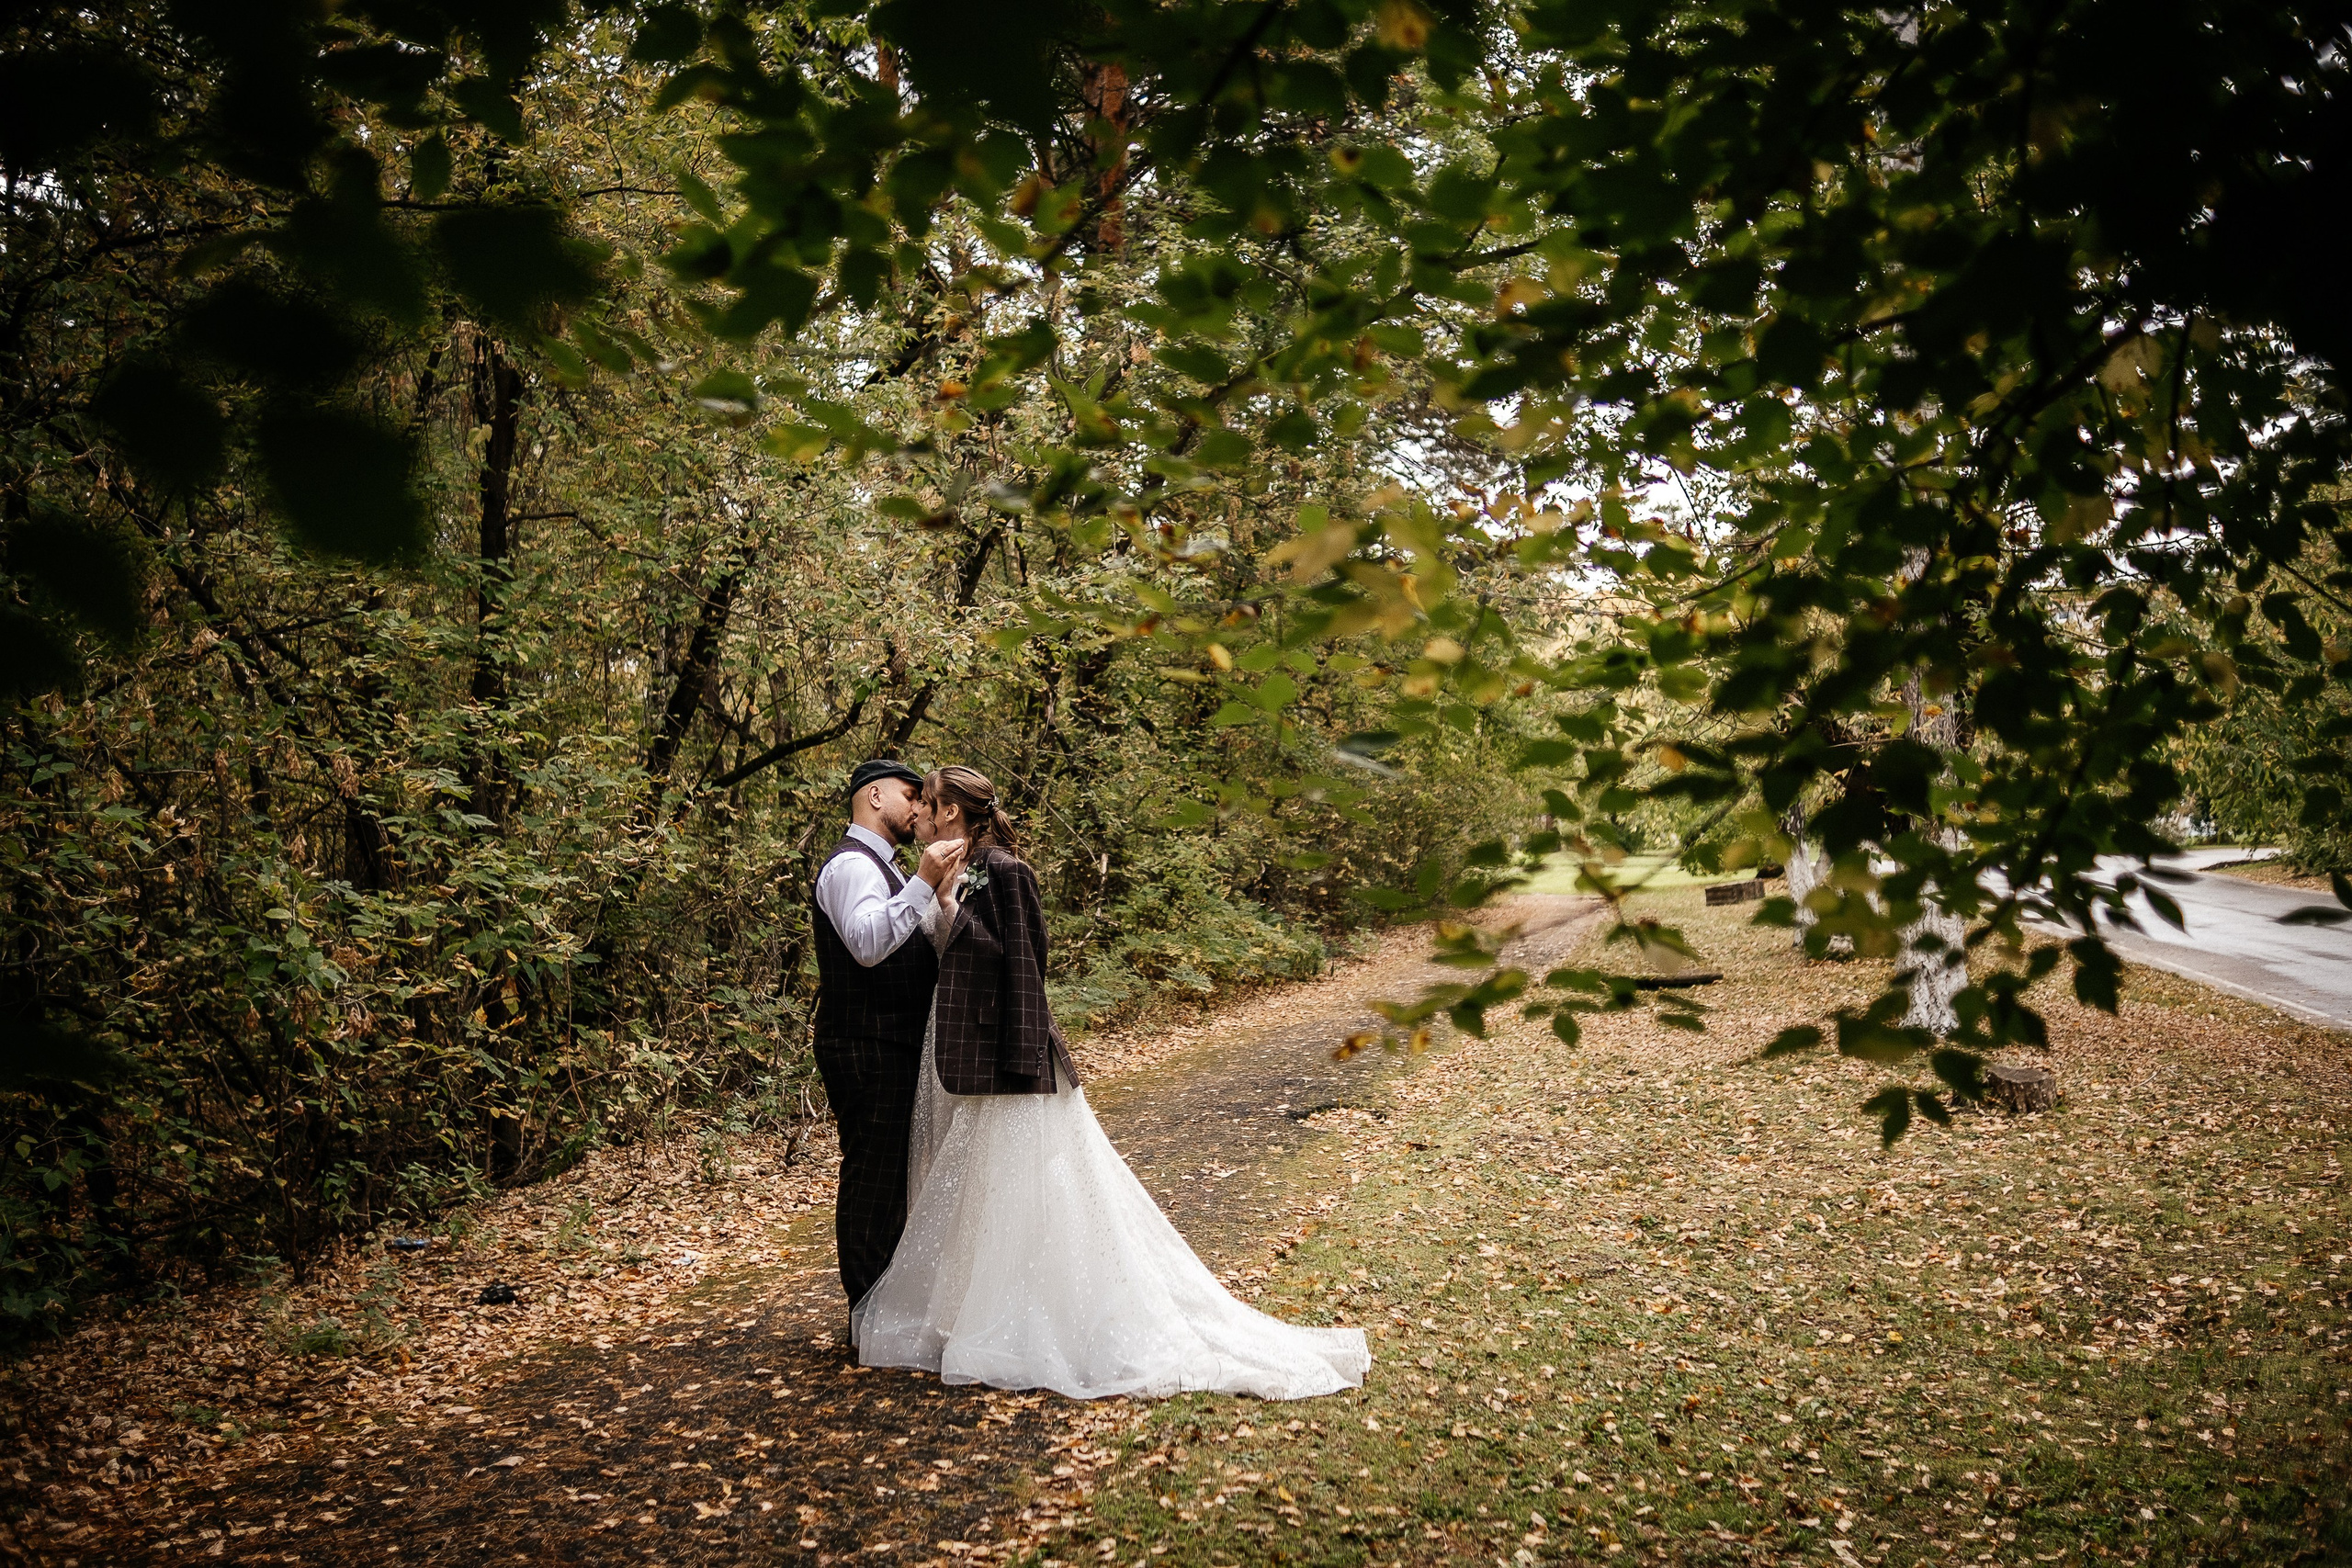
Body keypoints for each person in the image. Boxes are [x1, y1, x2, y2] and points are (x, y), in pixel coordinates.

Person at [852, 764, 1369, 1400]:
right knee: (985, 1192)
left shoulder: (1006, 870)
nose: (920, 815)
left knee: (1028, 1190)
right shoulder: (957, 869)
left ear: (952, 811)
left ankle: (1029, 1324)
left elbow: (1025, 966)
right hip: (970, 1054)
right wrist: (943, 901)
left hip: (1010, 1061)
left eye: (928, 804)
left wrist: (1021, 1057)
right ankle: (979, 1315)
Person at [808, 759, 967, 1335]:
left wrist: (937, 895)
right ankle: (867, 1317)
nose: (920, 807)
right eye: (911, 795)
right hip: (865, 1044)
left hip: (892, 1043)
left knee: (893, 1176)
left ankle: (885, 1311)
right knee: (873, 1176)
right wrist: (923, 882)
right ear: (874, 796)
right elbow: (868, 944)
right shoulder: (851, 866)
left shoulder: (891, 871)